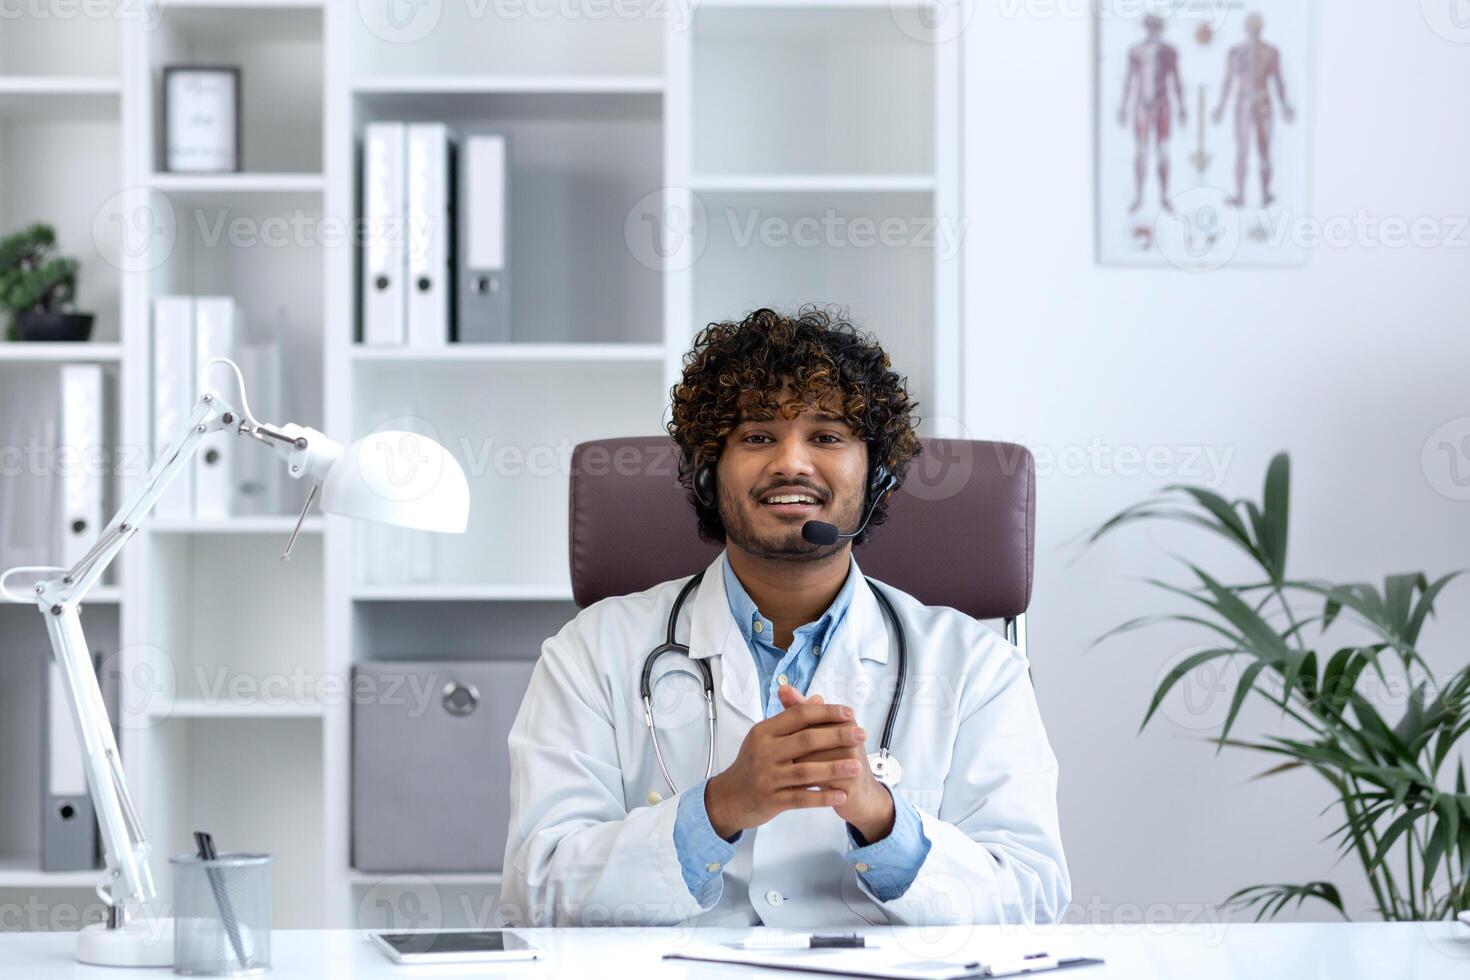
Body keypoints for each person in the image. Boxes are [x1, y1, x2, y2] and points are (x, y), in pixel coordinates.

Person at [498, 307, 1069, 927]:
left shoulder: (977, 668)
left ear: (875, 474)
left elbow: (1032, 898)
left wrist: (883, 819)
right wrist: (717, 809)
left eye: (827, 436)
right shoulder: (591, 653)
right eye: (757, 436)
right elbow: (538, 892)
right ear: (707, 473)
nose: (791, 463)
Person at [1211, 11, 1295, 207]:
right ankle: (1240, 195)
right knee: (1242, 150)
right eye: (1251, 29)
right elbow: (1228, 81)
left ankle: (1265, 194)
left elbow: (1278, 80)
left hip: (1263, 103)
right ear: (1246, 30)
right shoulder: (1235, 53)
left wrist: (1284, 106)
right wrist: (1220, 107)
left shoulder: (1271, 52)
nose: (1253, 32)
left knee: (1264, 149)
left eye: (1256, 29)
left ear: (1260, 29)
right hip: (1243, 103)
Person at [1117, 14, 1187, 213]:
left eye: (1157, 27)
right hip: (1141, 106)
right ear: (1146, 28)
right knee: (1141, 151)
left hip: (1163, 105)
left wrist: (1182, 108)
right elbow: (1129, 80)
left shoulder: (1169, 52)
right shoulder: (1136, 51)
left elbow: (1177, 79)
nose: (1153, 31)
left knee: (1162, 151)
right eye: (1151, 27)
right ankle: (1139, 196)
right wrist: (1122, 107)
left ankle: (1164, 196)